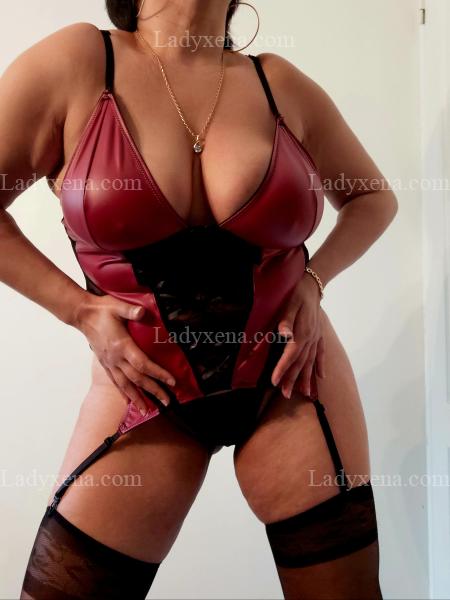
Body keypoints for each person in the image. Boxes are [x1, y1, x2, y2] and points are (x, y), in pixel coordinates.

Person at [0, 0, 397, 598]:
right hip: (145, 392)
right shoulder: (79, 62)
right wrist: (77, 309)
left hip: (292, 379)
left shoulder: (277, 82)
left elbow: (373, 199)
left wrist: (314, 283)